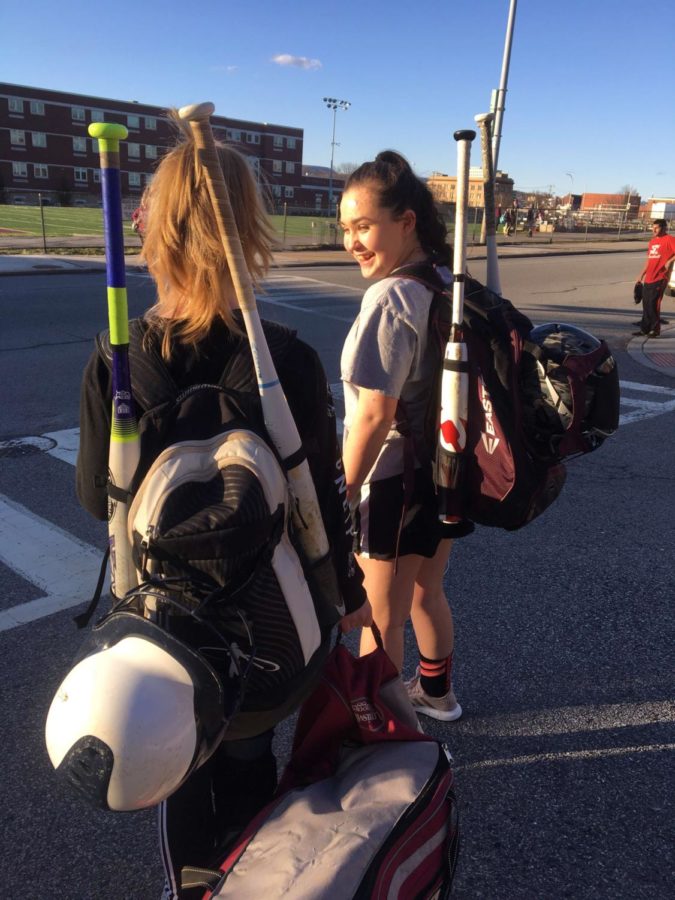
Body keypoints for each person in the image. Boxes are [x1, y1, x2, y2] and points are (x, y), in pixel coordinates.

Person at [76, 111, 371, 900]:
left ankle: (190, 884)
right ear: (251, 231)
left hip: (164, 631)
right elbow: (320, 501)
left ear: (151, 231)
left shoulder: (118, 356)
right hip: (272, 632)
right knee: (249, 759)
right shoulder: (291, 359)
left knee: (174, 769)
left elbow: (92, 495)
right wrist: (348, 597)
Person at [339, 150, 466, 724]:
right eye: (345, 229)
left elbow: (373, 414)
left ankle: (380, 732)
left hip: (391, 480)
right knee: (427, 592)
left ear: (406, 221)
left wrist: (342, 488)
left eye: (363, 226)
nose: (352, 243)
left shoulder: (390, 297)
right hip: (445, 471)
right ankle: (437, 695)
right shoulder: (445, 280)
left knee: (377, 616)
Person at [634, 219, 675, 338]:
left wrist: (669, 261)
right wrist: (641, 275)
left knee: (653, 304)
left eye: (657, 227)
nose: (654, 230)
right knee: (646, 304)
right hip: (649, 277)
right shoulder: (652, 242)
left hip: (660, 277)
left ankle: (655, 329)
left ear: (664, 228)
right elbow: (649, 260)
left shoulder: (670, 240)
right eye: (653, 227)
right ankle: (644, 329)